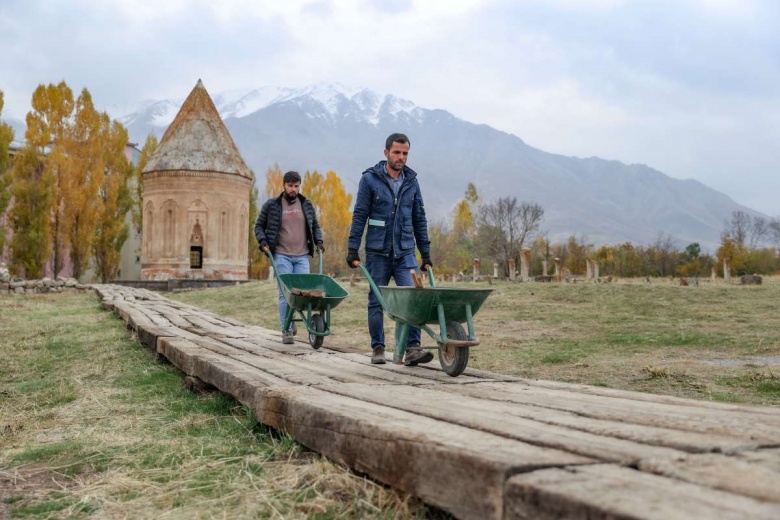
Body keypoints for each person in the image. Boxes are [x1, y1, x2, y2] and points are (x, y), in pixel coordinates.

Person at [346, 133, 433, 366]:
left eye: (405, 153)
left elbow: (419, 218)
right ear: (386, 153)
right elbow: (360, 215)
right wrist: (353, 247)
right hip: (378, 251)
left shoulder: (412, 181)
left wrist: (425, 254)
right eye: (397, 152)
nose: (401, 157)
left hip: (405, 251)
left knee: (412, 299)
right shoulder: (370, 180)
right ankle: (378, 347)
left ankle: (412, 348)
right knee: (377, 300)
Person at [255, 171, 324, 344]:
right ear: (284, 185)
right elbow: (259, 226)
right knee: (285, 293)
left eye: (296, 186)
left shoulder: (306, 204)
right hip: (281, 255)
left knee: (302, 294)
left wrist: (319, 241)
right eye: (290, 185)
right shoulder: (272, 205)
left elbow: (315, 226)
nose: (293, 189)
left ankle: (294, 322)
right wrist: (263, 241)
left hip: (302, 256)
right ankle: (286, 329)